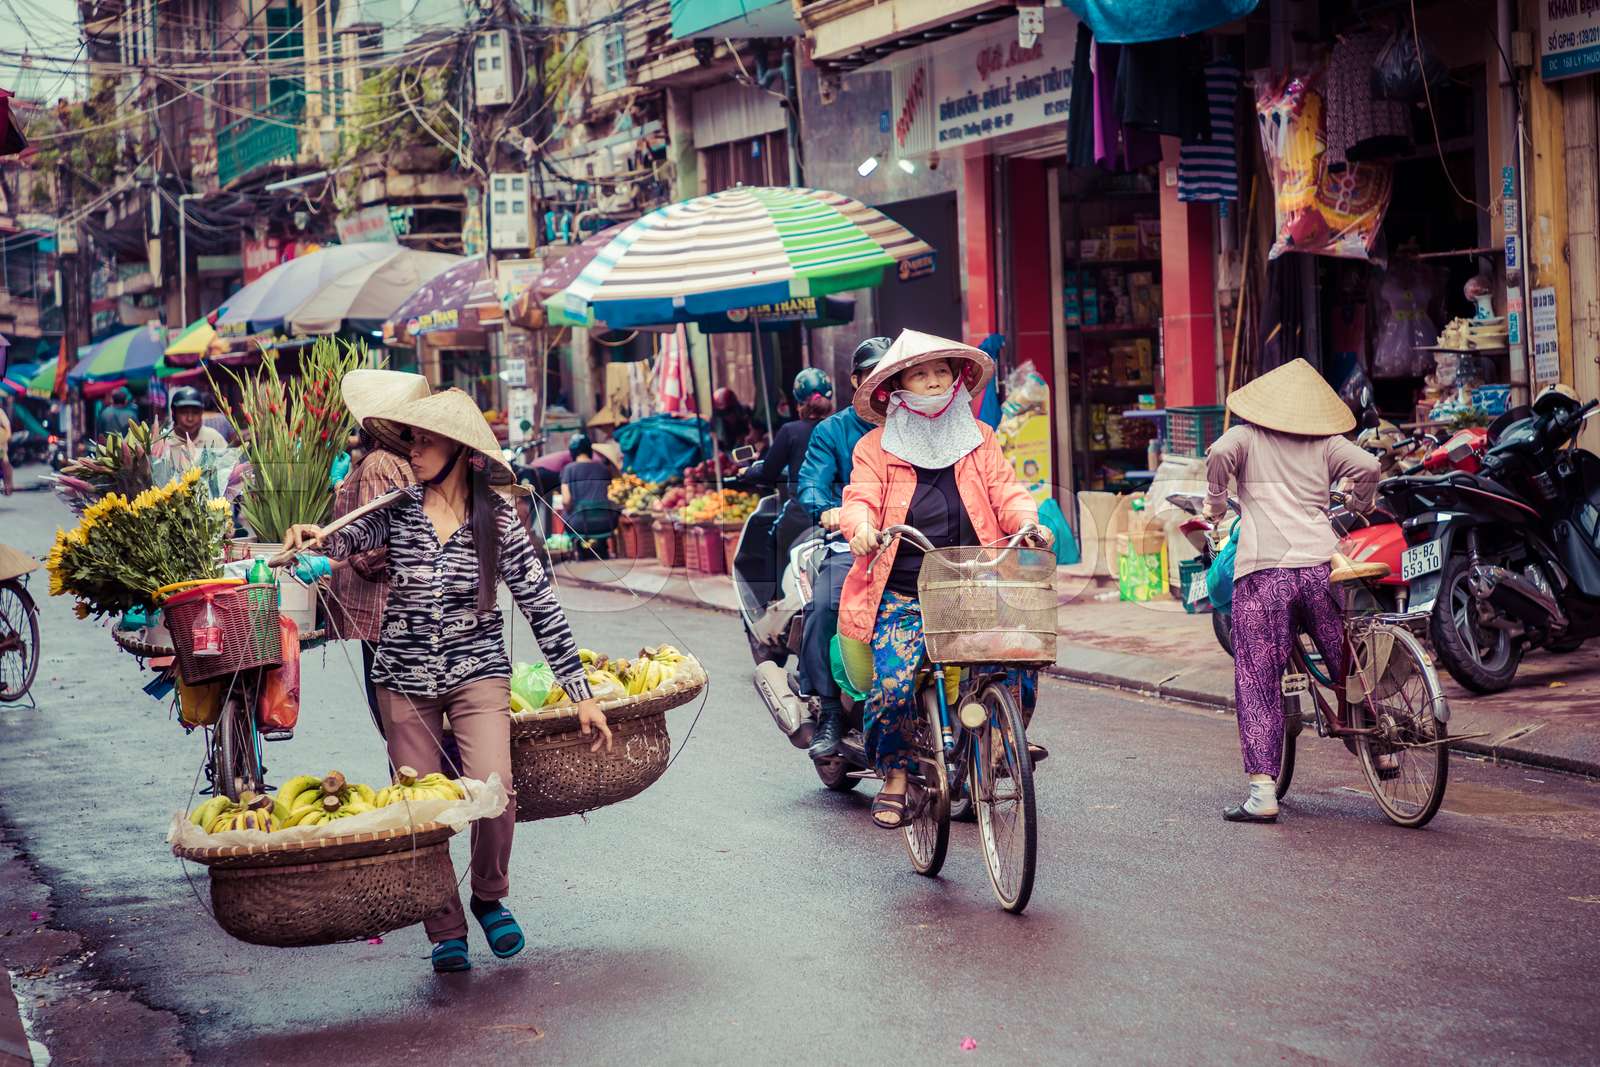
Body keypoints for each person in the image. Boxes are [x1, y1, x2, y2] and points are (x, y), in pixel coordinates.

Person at [282, 388, 612, 973]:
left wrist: (581, 693)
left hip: (477, 672)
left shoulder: (497, 519)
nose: (414, 449)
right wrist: (312, 537)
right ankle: (445, 926)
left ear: (460, 449)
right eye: (410, 438)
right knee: (420, 808)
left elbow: (542, 605)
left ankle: (489, 895)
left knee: (495, 790)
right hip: (403, 677)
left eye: (426, 439)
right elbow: (341, 538)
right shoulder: (397, 508)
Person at [836, 330, 1045, 829]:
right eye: (920, 374)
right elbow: (859, 497)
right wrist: (862, 527)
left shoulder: (981, 439)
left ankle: (995, 744)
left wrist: (1028, 523)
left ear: (956, 381)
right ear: (897, 387)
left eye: (941, 373)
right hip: (904, 589)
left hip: (978, 580)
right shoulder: (874, 448)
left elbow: (1007, 492)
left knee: (1021, 659)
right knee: (891, 686)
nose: (932, 382)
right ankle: (897, 777)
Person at [1204, 358, 1379, 824]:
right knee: (1345, 662)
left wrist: (1218, 502)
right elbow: (1369, 465)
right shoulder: (1327, 443)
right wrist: (1359, 503)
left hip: (1265, 575)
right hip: (1317, 568)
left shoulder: (1246, 436)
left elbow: (1218, 454)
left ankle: (1263, 793)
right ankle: (1380, 747)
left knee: (1258, 677)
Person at [792, 338, 890, 760]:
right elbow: (811, 484)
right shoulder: (833, 431)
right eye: (874, 375)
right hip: (853, 541)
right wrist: (830, 510)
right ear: (856, 381)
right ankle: (830, 709)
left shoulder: (922, 426)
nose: (884, 385)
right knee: (827, 605)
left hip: (914, 541)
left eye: (892, 375)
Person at [324, 370, 428, 742]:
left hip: (385, 614)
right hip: (403, 611)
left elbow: (373, 555)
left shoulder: (380, 464)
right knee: (409, 726)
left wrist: (334, 555)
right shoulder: (403, 463)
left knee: (398, 727)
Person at [751, 368, 834, 567]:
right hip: (838, 514)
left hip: (802, 513)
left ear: (798, 403)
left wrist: (748, 472)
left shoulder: (790, 431)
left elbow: (769, 471)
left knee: (773, 541)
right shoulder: (839, 427)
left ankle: (773, 597)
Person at [559, 437, 623, 557]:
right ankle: (602, 546)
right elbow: (616, 489)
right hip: (607, 521)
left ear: (572, 452)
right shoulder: (604, 468)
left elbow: (566, 501)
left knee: (565, 515)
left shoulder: (568, 470)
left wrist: (570, 510)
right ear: (589, 450)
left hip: (579, 524)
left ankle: (579, 548)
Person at [153, 387, 228, 470]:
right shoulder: (163, 442)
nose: (190, 418)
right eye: (183, 412)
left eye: (195, 412)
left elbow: (229, 467)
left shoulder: (214, 438)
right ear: (174, 413)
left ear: (201, 413)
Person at [0, 401, 13, 496]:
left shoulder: (0, 413)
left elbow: (8, 429)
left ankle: (8, 484)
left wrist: (4, 438)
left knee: (5, 462)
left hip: (1, 447)